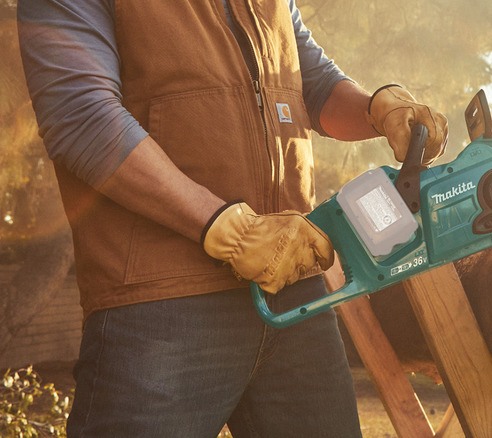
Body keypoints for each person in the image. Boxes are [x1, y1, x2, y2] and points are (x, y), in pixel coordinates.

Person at [17, 0, 448, 436]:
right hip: (160, 306)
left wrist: (376, 109)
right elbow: (82, 116)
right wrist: (230, 231)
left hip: (294, 296)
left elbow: (309, 83)